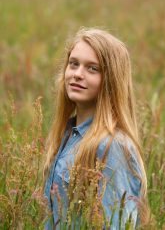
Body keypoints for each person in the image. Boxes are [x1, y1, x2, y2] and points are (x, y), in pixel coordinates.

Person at [43, 27, 149, 229]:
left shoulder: (111, 146)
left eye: (93, 68)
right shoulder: (67, 134)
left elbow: (114, 224)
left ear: (111, 80)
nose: (77, 74)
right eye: (73, 64)